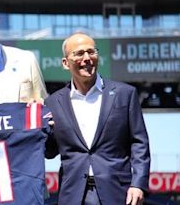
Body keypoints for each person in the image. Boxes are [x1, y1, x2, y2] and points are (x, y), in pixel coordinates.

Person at [45, 32, 150, 205]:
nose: (87, 58)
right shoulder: (53, 103)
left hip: (118, 193)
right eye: (79, 53)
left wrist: (138, 184)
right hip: (73, 195)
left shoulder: (125, 94)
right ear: (65, 63)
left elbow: (139, 143)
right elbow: (50, 152)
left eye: (91, 52)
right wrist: (41, 127)